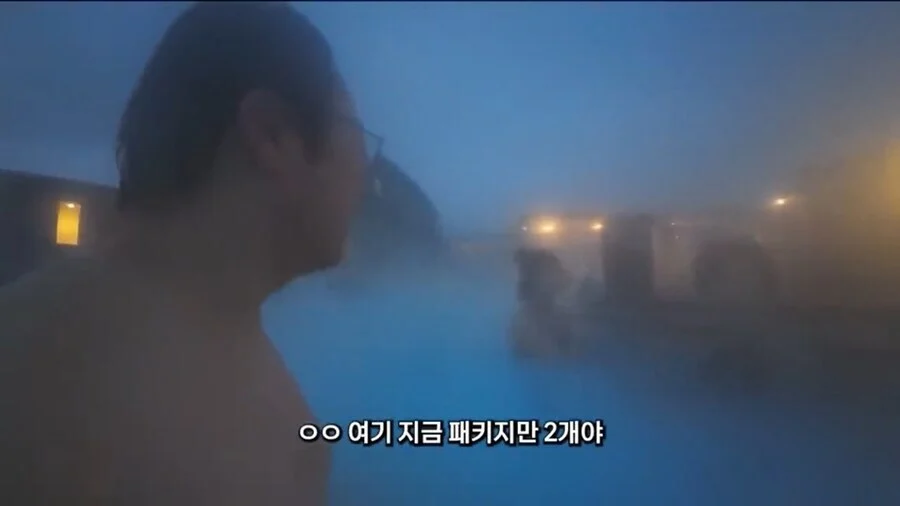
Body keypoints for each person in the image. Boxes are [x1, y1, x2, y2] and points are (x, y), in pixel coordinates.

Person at [0, 3, 373, 505]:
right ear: (272, 133)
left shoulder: (31, 335)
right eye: (360, 137)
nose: (367, 175)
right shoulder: (261, 445)